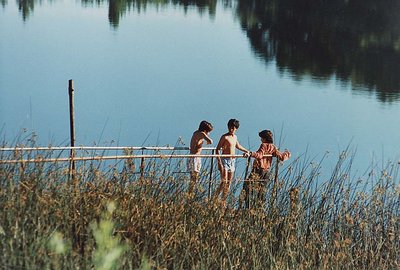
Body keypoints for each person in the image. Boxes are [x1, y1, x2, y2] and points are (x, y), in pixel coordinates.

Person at [241, 129, 291, 209]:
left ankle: (248, 207)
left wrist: (250, 153)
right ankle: (260, 208)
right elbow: (281, 157)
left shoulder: (263, 145)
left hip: (258, 170)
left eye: (261, 138)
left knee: (247, 187)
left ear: (265, 138)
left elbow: (260, 155)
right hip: (266, 171)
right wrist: (287, 153)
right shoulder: (273, 147)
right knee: (261, 191)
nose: (261, 140)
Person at [214, 119, 250, 207]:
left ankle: (223, 200)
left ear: (236, 128)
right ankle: (215, 198)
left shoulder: (235, 137)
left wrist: (246, 150)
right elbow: (217, 149)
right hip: (225, 159)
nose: (231, 129)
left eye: (233, 128)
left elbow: (237, 146)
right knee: (224, 181)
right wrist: (219, 162)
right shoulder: (224, 137)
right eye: (230, 127)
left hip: (232, 161)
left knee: (229, 182)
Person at [187, 120, 214, 195]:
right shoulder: (201, 133)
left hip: (196, 157)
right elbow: (210, 141)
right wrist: (207, 140)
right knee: (194, 178)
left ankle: (191, 193)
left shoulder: (196, 133)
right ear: (205, 130)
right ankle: (190, 194)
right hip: (194, 157)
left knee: (195, 178)